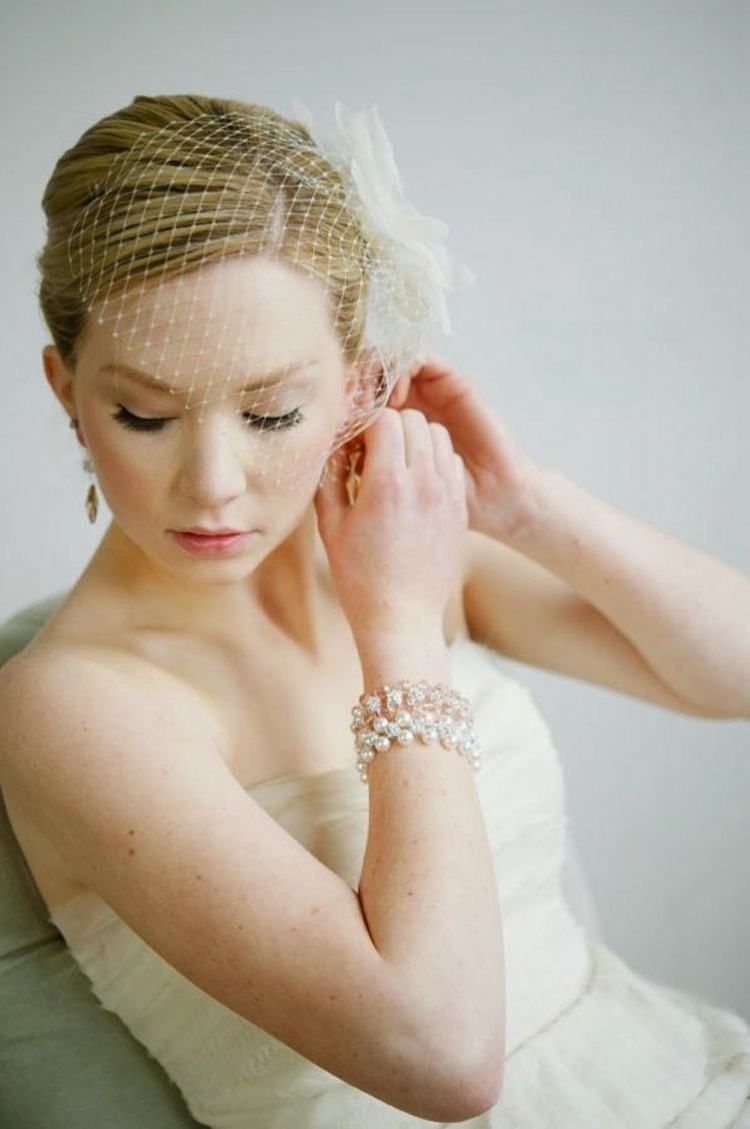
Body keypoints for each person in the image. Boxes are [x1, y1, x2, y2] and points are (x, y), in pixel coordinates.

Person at [0, 92, 748, 1129]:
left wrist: (527, 504)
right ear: (65, 388)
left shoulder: (387, 531)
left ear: (359, 386)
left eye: (271, 413)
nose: (213, 482)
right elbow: (441, 1057)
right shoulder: (70, 706)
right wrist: (396, 628)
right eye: (143, 413)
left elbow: (736, 675)